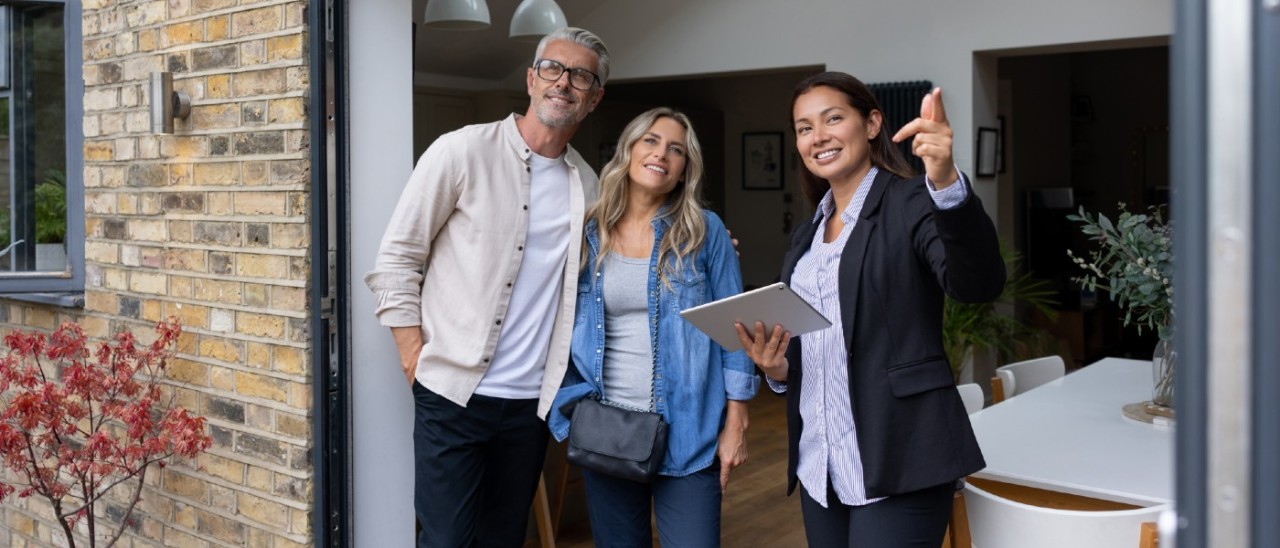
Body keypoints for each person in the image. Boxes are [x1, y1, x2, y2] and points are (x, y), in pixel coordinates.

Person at [734, 71, 1006, 547]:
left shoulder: (912, 201)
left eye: (833, 119)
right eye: (804, 128)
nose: (818, 136)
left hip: (902, 456)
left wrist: (945, 181)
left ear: (873, 123)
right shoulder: (806, 236)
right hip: (820, 463)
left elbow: (977, 285)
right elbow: (818, 344)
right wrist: (778, 369)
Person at [364, 28, 609, 548]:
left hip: (530, 405)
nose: (563, 83)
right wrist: (412, 356)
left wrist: (703, 245)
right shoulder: (462, 151)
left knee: (503, 539)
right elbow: (397, 260)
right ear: (531, 79)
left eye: (580, 76)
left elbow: (615, 265)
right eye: (553, 68)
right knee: (446, 540)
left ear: (594, 98)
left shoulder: (587, 186)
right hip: (451, 394)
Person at [548, 107, 759, 548]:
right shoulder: (586, 231)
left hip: (689, 431)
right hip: (607, 429)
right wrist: (569, 407)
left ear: (684, 170)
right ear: (628, 150)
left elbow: (735, 333)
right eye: (650, 140)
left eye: (676, 149)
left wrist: (736, 422)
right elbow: (554, 323)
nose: (661, 154)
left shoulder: (705, 232)